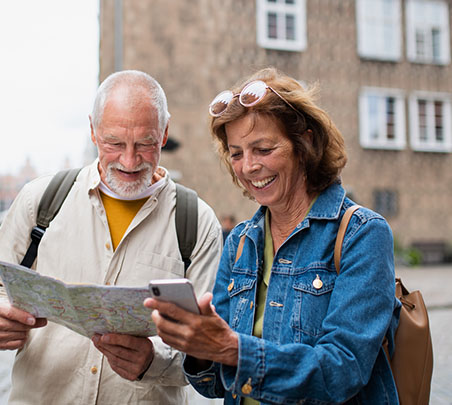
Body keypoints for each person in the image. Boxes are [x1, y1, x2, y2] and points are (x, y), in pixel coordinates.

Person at [145, 67, 401, 404]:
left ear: (305, 143)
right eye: (236, 153)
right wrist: (199, 346)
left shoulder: (362, 234)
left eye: (263, 149)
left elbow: (342, 370)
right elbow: (214, 386)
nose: (249, 166)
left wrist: (233, 349)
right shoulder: (239, 242)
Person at [0, 70, 222, 404]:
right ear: (92, 130)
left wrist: (154, 361)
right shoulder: (41, 200)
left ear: (164, 132)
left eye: (145, 144)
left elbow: (207, 345)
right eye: (114, 143)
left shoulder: (196, 222)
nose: (130, 160)